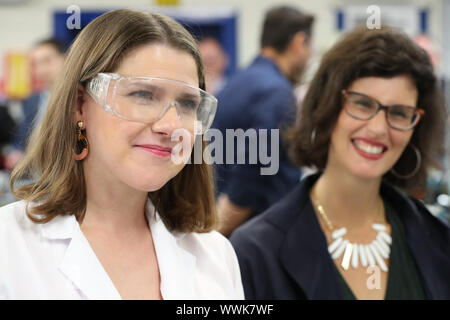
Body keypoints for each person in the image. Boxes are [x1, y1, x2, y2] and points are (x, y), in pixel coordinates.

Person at [0, 9, 244, 300]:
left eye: (188, 103)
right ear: (79, 105)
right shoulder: (9, 246)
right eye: (142, 95)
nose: (170, 126)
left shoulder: (214, 255)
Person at [230, 26, 450, 300]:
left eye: (399, 113)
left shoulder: (437, 242)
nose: (379, 128)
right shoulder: (256, 252)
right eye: (362, 104)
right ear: (328, 106)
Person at [213, 6, 314, 236]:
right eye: (310, 48)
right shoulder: (276, 92)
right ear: (298, 42)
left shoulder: (238, 81)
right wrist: (218, 230)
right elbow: (256, 164)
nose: (310, 57)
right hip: (254, 233)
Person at [3, 38, 66, 171]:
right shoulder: (32, 99)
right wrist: (16, 152)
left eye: (46, 61)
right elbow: (21, 137)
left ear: (65, 59)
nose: (40, 69)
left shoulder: (79, 99)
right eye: (35, 64)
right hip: (34, 175)